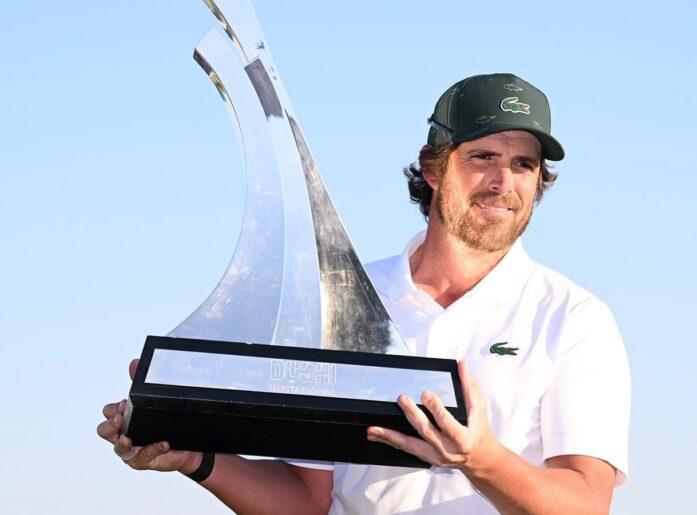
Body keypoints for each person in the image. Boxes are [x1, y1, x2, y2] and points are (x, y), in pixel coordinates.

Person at [98, 73, 630, 514]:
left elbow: (585, 503)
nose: (503, 181)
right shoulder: (343, 298)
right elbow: (310, 498)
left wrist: (481, 458)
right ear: (433, 167)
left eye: (524, 165)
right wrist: (199, 460)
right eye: (482, 157)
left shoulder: (574, 317)